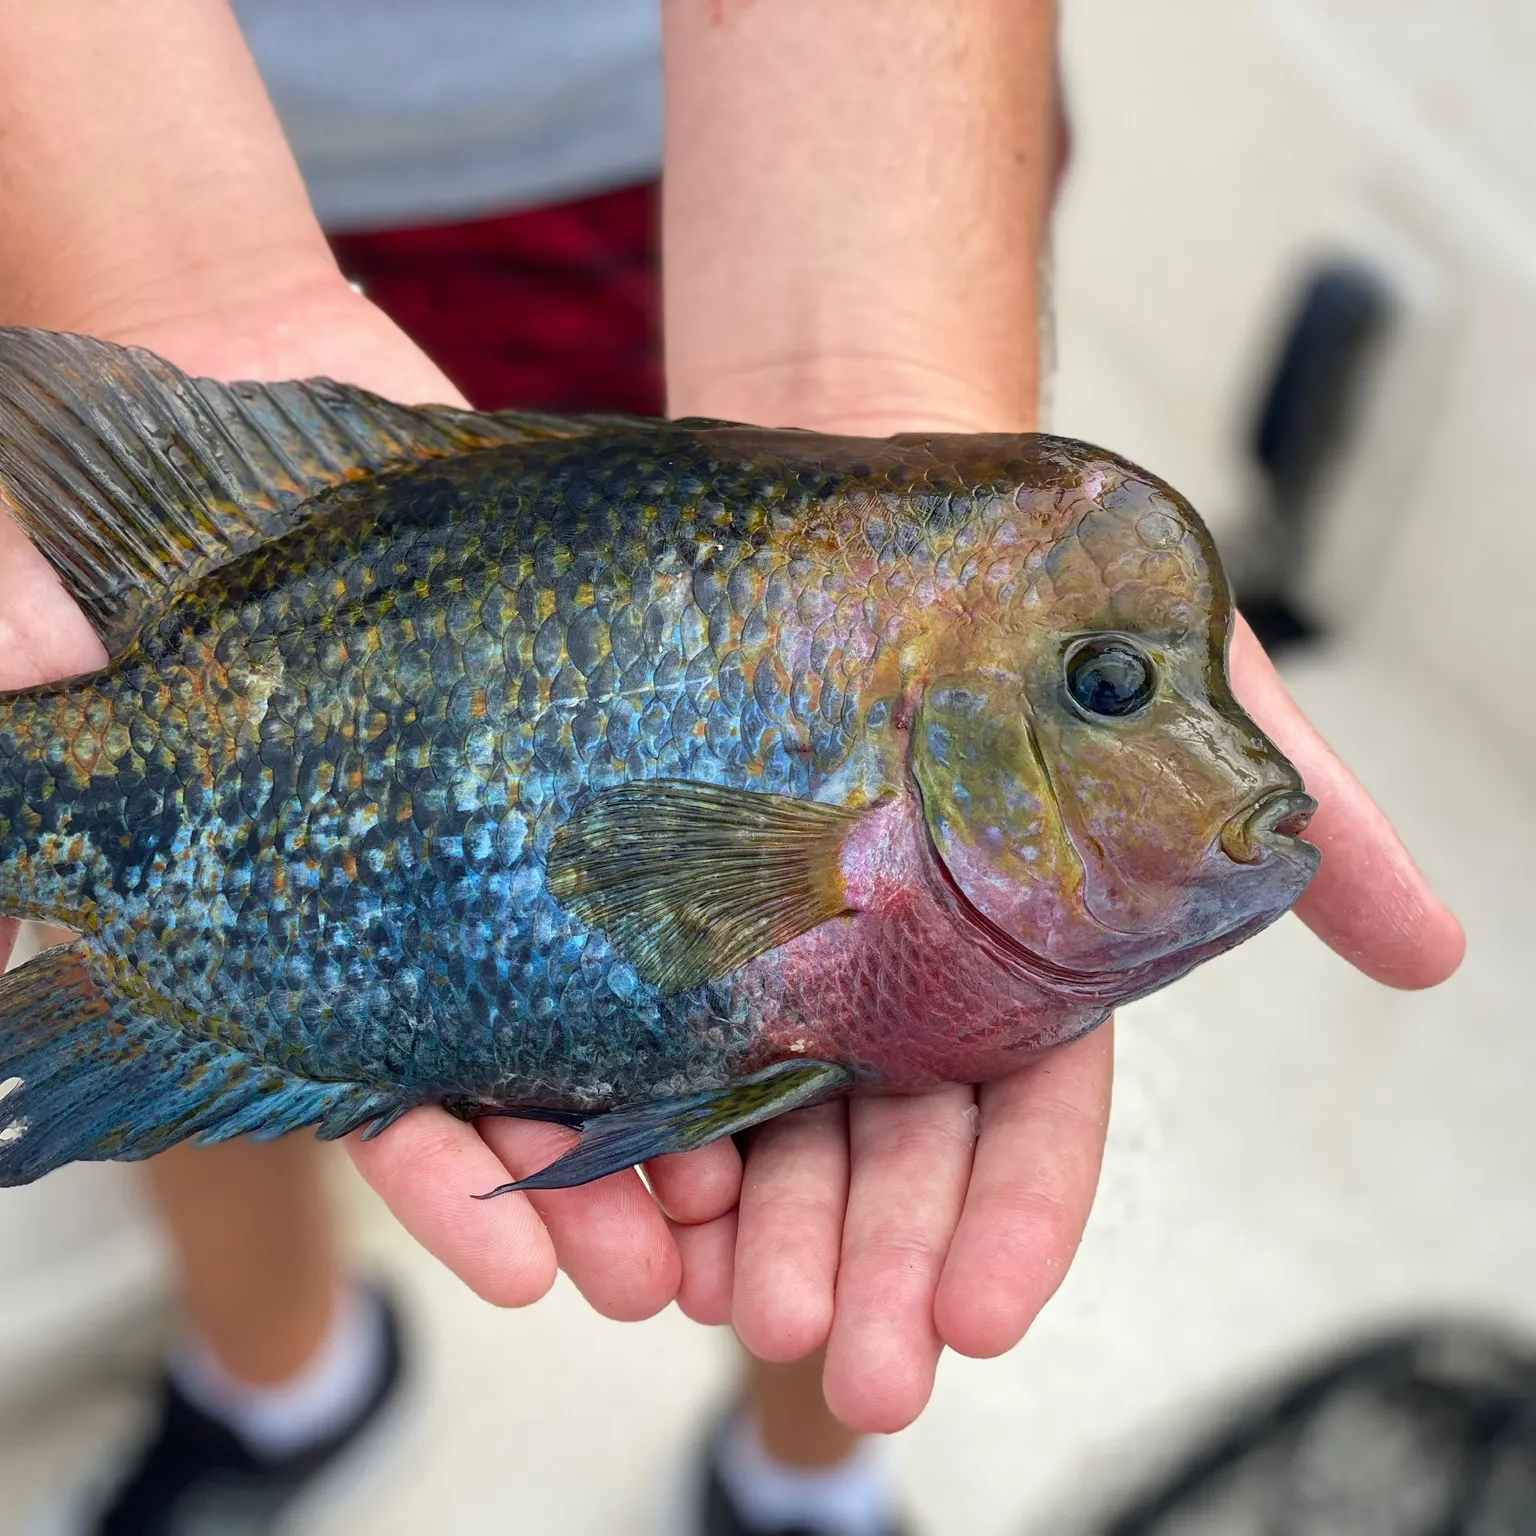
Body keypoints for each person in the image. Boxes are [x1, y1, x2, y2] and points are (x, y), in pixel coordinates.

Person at [0, 4, 1465, 1534]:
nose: (1203, 758)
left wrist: (872, 326)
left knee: (831, 1268)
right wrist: (126, 253)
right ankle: (278, 1382)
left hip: (788, 149)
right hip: (108, 137)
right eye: (1113, 687)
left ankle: (796, 1482)